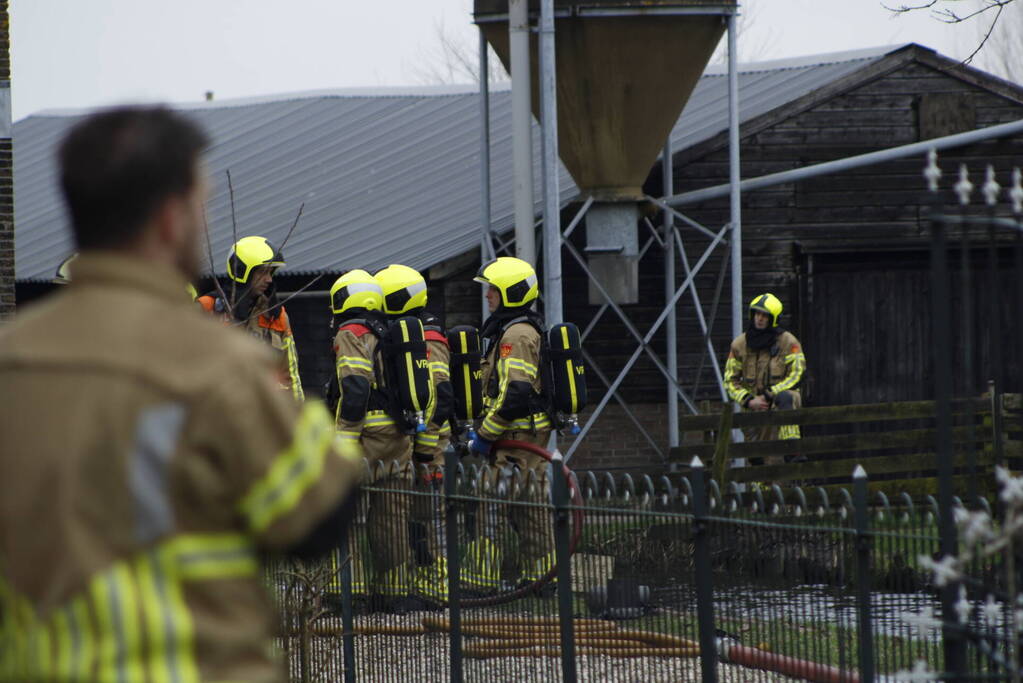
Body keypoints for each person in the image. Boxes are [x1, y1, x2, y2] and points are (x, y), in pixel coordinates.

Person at [0, 106, 362, 681]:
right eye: (202, 205)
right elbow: (320, 516)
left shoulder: (12, 365)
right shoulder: (212, 360)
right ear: (171, 219)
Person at [328, 269, 421, 612]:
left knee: (345, 511)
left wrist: (344, 440)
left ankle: (347, 594)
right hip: (398, 436)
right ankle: (395, 593)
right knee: (391, 517)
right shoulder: (388, 331)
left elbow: (354, 388)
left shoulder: (351, 333)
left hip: (366, 434)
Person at [462, 256, 555, 595]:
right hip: (523, 435)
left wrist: (485, 434)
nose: (487, 295)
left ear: (509, 293)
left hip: (514, 437)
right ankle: (543, 579)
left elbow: (515, 392)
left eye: (492, 289)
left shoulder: (515, 335)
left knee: (489, 505)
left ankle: (480, 583)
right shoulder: (519, 328)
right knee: (531, 509)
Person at [374, 263, 452, 606]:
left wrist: (425, 450)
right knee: (411, 516)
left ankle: (436, 587)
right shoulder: (409, 335)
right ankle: (419, 585)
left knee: (427, 517)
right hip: (423, 440)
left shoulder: (428, 340)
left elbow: (436, 396)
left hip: (431, 443)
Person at [198, 236, 304, 400]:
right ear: (242, 271)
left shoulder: (277, 315)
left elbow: (291, 375)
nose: (269, 279)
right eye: (262, 272)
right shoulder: (208, 308)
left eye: (270, 272)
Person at [724, 293, 806, 458]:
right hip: (754, 405)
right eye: (756, 314)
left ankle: (792, 449)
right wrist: (749, 400)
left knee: (787, 398)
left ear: (773, 318)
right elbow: (730, 381)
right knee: (757, 455)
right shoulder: (739, 345)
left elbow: (798, 373)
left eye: (764, 315)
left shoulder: (788, 342)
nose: (759, 319)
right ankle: (759, 482)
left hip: (778, 399)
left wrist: (771, 393)